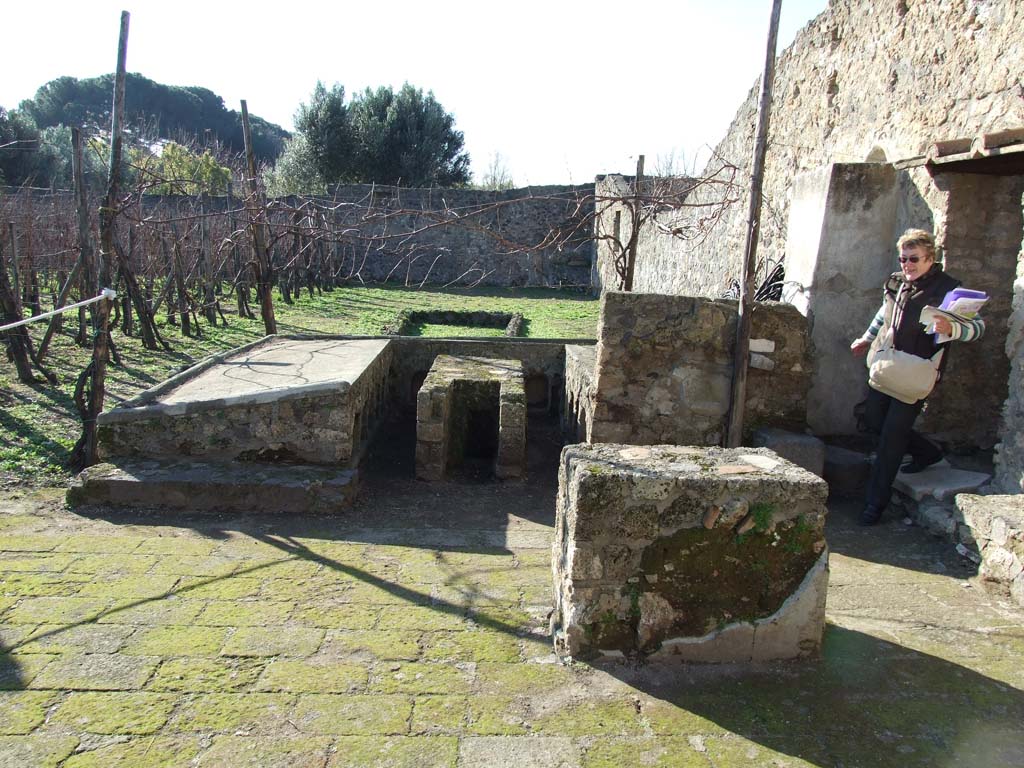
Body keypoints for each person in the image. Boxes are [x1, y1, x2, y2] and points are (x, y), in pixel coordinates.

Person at [849, 229, 984, 526]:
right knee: (871, 419)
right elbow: (884, 315)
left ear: (930, 258)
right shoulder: (897, 282)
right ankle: (928, 452)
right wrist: (865, 338)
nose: (907, 264)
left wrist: (953, 330)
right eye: (903, 258)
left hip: (917, 373)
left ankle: (874, 504)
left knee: (891, 439)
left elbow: (978, 328)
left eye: (913, 259)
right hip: (888, 366)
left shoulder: (949, 290)